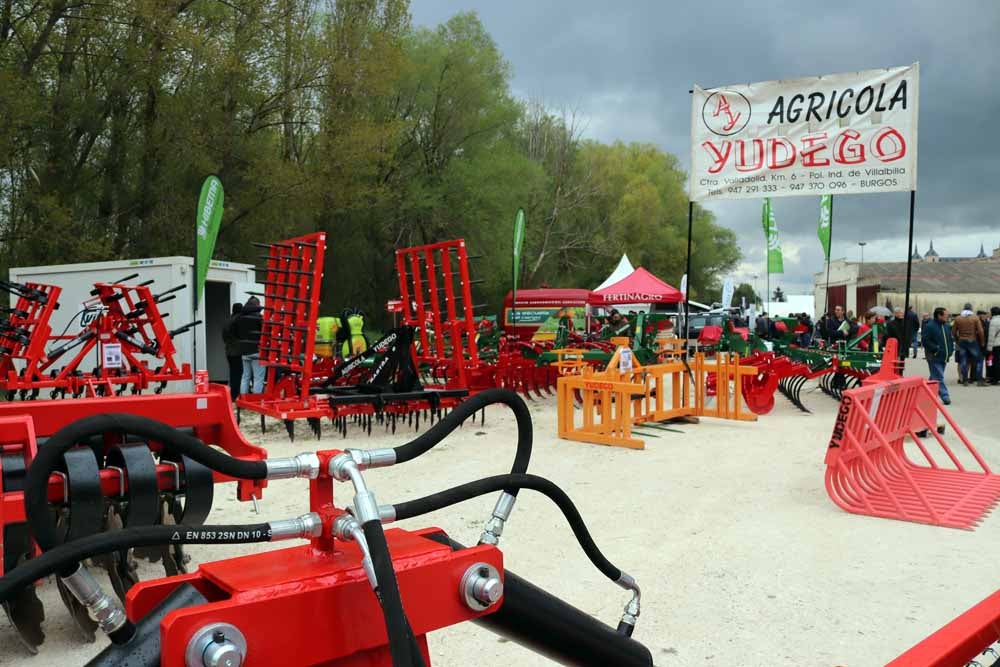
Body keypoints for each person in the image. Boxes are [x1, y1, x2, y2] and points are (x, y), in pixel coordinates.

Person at [923, 307, 953, 404]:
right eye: (945, 315)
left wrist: (951, 350)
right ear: (939, 315)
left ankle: (926, 394)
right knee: (939, 377)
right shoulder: (930, 326)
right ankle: (945, 396)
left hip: (944, 356)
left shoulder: (946, 326)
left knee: (934, 377)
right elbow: (925, 341)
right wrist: (936, 349)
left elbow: (950, 339)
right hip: (933, 356)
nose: (947, 317)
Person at [236, 296, 265, 395]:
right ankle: (256, 400)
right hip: (257, 351)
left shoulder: (240, 318)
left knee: (245, 377)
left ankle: (243, 399)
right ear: (257, 305)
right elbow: (265, 332)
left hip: (244, 351)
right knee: (258, 377)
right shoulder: (259, 318)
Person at [952, 303, 986, 386]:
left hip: (962, 341)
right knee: (979, 360)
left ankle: (964, 380)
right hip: (972, 340)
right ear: (971, 309)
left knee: (964, 360)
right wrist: (982, 342)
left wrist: (957, 340)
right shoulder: (975, 318)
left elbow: (953, 332)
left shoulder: (958, 318)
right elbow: (981, 331)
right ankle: (979, 381)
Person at [222, 303, 243, 401]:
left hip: (228, 351)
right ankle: (235, 395)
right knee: (238, 374)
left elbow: (224, 337)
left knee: (232, 373)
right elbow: (241, 335)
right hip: (237, 351)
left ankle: (231, 393)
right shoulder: (238, 320)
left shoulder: (227, 320)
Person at [989, 306, 1000, 385]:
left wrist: (989, 348)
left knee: (995, 362)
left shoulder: (993, 321)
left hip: (996, 345)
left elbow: (991, 336)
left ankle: (995, 379)